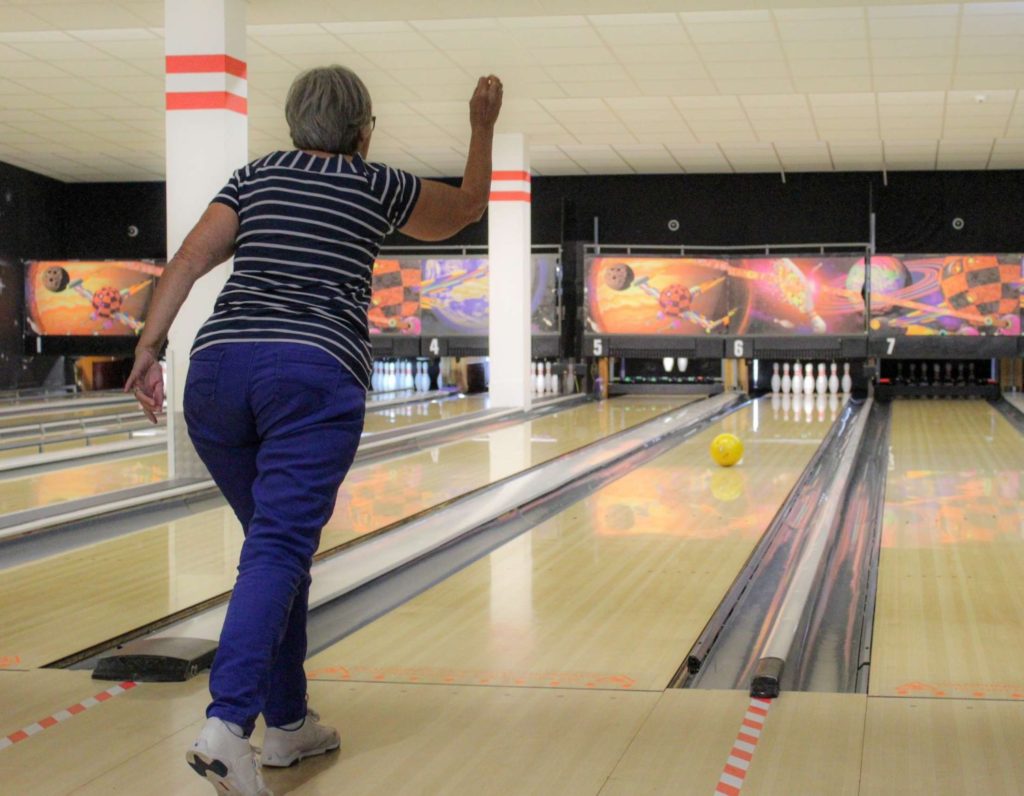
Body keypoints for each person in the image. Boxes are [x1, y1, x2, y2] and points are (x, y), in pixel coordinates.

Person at [126, 65, 503, 796]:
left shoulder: (255, 176)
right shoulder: (373, 184)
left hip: (215, 375)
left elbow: (189, 261)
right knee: (278, 547)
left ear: (294, 124)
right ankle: (229, 727)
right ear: (364, 131)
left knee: (278, 547)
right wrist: (481, 123)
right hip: (311, 374)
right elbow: (466, 208)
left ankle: (289, 723)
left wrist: (149, 345)